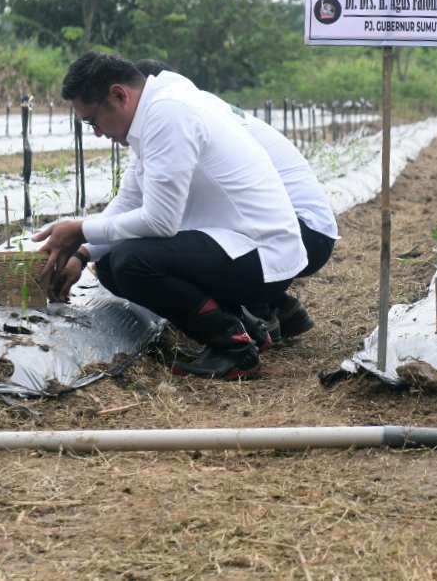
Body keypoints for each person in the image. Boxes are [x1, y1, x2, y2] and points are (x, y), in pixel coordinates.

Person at [35, 53, 306, 380]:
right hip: (237, 244)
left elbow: (160, 221)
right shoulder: (152, 115)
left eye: (93, 120)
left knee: (131, 264)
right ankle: (248, 330)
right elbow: (129, 203)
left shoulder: (168, 114)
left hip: (262, 254)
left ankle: (234, 348)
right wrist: (83, 252)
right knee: (109, 266)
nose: (96, 133)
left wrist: (80, 229)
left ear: (119, 95)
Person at [134, 59, 338, 342]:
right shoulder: (204, 106)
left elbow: (167, 210)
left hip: (299, 234)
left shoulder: (178, 117)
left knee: (182, 247)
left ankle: (252, 318)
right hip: (313, 230)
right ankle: (279, 307)